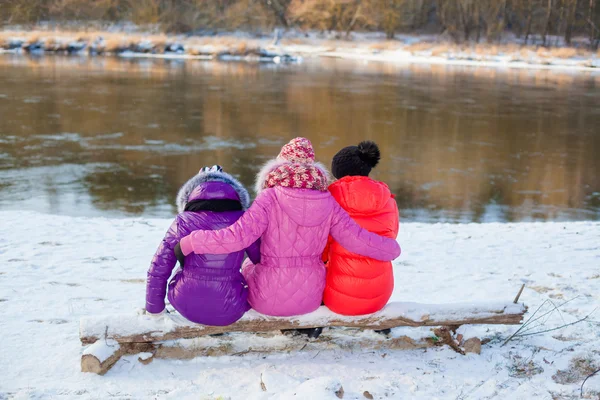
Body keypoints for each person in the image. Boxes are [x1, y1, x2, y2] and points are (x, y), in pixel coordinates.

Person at [178, 138, 401, 325]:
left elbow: (236, 238)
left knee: (248, 264)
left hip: (268, 299)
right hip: (310, 298)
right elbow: (356, 239)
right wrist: (391, 248)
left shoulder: (269, 197)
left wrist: (192, 241)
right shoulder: (327, 200)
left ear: (279, 164)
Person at [145, 165, 260, 326]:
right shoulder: (244, 221)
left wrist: (154, 310)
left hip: (184, 305)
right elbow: (261, 262)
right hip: (232, 308)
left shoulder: (183, 221)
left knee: (182, 265)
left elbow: (159, 267)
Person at [322, 141, 399, 323]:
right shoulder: (387, 197)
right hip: (380, 295)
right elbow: (391, 235)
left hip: (340, 297)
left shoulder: (329, 197)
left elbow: (321, 245)